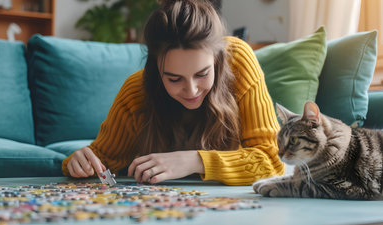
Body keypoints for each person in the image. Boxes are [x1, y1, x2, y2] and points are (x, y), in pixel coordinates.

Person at [62, 0, 285, 185]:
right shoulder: (135, 91)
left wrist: (194, 161)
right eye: (174, 79)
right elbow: (101, 160)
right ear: (156, 70)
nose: (192, 90)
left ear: (216, 61)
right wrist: (77, 162)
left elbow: (273, 161)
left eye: (202, 74)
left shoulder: (238, 60)